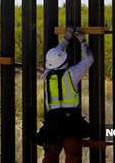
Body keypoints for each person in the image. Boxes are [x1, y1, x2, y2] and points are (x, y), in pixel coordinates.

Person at [38, 26, 93, 163]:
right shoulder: (72, 74)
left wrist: (65, 39)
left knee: (50, 157)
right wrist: (82, 41)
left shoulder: (46, 75)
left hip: (52, 123)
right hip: (71, 122)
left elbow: (55, 57)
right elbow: (89, 59)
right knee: (73, 157)